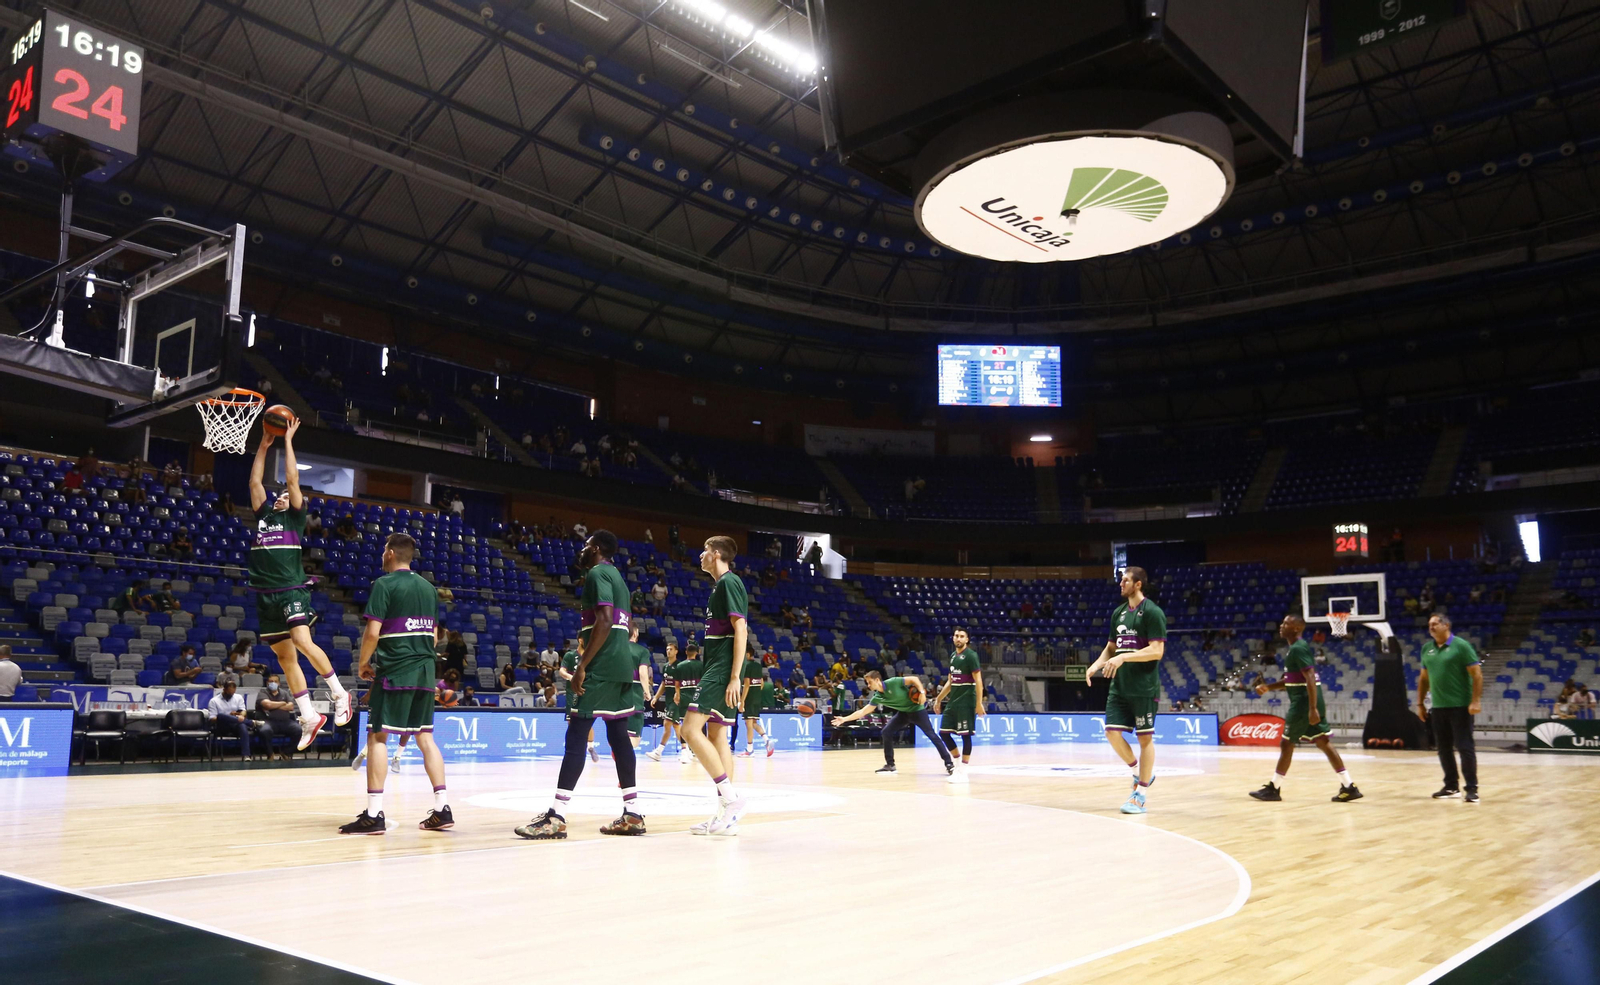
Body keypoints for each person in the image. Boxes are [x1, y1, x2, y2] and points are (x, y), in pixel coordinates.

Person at [515, 531, 645, 840]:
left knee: (575, 739)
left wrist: (582, 666)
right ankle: (633, 814)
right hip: (621, 667)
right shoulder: (619, 578)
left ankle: (556, 817)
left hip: (599, 668)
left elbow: (603, 621)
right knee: (619, 737)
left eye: (586, 545)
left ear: (597, 549)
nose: (582, 550)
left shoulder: (598, 573)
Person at [249, 418, 353, 751]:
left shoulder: (294, 518)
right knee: (285, 659)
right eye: (277, 494)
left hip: (291, 590)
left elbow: (293, 478)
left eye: (284, 495)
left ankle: (339, 693)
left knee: (302, 641)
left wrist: (288, 440)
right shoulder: (264, 515)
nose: (279, 496)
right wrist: (263, 448)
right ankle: (308, 716)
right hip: (265, 596)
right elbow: (254, 481)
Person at [341, 533, 453, 834]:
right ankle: (442, 808)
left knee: (377, 737)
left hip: (395, 671)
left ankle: (374, 814)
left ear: (390, 553)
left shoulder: (384, 584)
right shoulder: (430, 589)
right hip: (426, 671)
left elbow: (372, 632)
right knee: (426, 738)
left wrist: (364, 663)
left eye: (383, 551)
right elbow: (433, 636)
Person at [679, 536, 750, 836]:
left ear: (717, 553)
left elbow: (741, 628)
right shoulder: (719, 587)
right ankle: (725, 815)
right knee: (718, 734)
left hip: (722, 669)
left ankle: (732, 800)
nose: (700, 554)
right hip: (719, 667)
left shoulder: (728, 583)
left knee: (689, 730)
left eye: (705, 549)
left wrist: (734, 676)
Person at [1248, 615, 1362, 803]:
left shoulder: (1299, 648)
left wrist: (1312, 708)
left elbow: (1310, 677)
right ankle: (1349, 786)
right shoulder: (1295, 649)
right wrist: (1269, 687)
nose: (1281, 626)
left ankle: (1274, 788)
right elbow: (1291, 680)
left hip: (1303, 704)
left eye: (1286, 623)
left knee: (1287, 744)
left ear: (1296, 628)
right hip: (1306, 702)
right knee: (1323, 742)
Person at [1084, 567, 1166, 815]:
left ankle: (1140, 794)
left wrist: (1124, 658)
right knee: (1111, 732)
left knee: (1144, 739)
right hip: (1119, 686)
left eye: (1126, 580)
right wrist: (1096, 664)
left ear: (1138, 584)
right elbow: (1111, 648)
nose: (1121, 584)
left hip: (1143, 687)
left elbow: (1156, 651)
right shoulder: (1118, 613)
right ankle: (1137, 772)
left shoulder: (1152, 612)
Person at [832, 671, 955, 779]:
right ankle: (890, 765)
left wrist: (922, 692)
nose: (868, 686)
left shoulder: (894, 682)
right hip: (903, 713)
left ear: (877, 680)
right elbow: (863, 711)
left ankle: (949, 763)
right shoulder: (877, 697)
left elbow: (914, 679)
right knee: (886, 732)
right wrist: (844, 719)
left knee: (931, 735)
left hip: (917, 710)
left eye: (869, 682)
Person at [1416, 613, 1482, 803]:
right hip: (1438, 707)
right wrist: (1420, 704)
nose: (1431, 627)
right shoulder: (1426, 649)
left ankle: (1471, 788)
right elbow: (1424, 679)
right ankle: (1451, 786)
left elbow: (1477, 674)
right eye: (1429, 624)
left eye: (1435, 624)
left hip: (1461, 706)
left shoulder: (1461, 646)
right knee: (1443, 749)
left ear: (1446, 625)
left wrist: (1475, 700)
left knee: (1464, 747)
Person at [932, 628, 983, 776]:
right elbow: (950, 681)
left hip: (967, 701)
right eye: (956, 636)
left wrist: (979, 704)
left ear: (967, 639)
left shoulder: (971, 656)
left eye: (962, 636)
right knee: (944, 733)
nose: (958, 638)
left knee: (965, 735)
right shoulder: (953, 656)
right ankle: (956, 762)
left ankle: (964, 768)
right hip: (953, 701)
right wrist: (939, 699)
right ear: (953, 638)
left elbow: (978, 681)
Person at [646, 642, 682, 762]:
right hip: (668, 700)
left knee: (667, 724)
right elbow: (663, 683)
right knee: (676, 727)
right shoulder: (666, 666)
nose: (668, 651)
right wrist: (655, 697)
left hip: (676, 701)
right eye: (667, 649)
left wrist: (679, 695)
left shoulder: (679, 666)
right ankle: (686, 751)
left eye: (671, 649)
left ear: (676, 651)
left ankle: (659, 751)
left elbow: (681, 683)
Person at [206, 678, 258, 760]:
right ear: (224, 690)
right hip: (222, 726)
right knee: (221, 715)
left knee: (242, 726)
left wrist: (240, 715)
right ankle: (251, 722)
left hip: (235, 724)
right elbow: (212, 718)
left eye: (233, 693)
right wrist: (228, 717)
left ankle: (246, 755)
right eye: (229, 693)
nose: (231, 695)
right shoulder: (214, 701)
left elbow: (243, 711)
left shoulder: (238, 697)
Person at [624, 625, 654, 753]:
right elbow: (643, 673)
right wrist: (647, 692)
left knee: (617, 733)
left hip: (615, 695)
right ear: (635, 633)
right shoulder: (642, 651)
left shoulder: (615, 648)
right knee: (633, 740)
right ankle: (625, 766)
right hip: (633, 695)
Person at [255, 674, 300, 759]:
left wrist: (274, 705)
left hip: (285, 722)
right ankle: (270, 754)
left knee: (298, 730)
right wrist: (283, 703)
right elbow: (267, 705)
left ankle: (286, 752)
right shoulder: (262, 692)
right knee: (265, 730)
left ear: (279, 683)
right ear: (267, 682)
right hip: (268, 721)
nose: (273, 683)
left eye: (275, 681)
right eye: (271, 681)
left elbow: (290, 706)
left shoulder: (284, 693)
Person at [737, 663, 774, 758]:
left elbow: (747, 684)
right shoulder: (758, 666)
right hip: (757, 699)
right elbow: (761, 684)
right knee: (753, 723)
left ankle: (750, 750)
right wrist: (756, 694)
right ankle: (767, 740)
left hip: (749, 699)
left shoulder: (747, 666)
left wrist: (742, 701)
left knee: (748, 724)